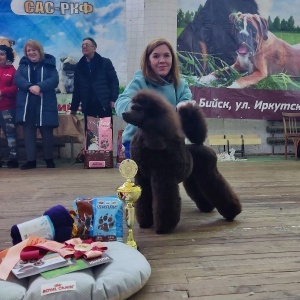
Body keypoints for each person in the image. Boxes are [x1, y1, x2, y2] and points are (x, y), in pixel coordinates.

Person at [115, 38, 192, 158]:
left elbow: (186, 101)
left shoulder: (181, 84)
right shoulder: (139, 81)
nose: (162, 60)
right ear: (148, 60)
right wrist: (135, 109)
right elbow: (121, 101)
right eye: (156, 56)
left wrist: (184, 107)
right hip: (138, 145)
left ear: (173, 59)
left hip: (171, 144)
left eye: (167, 55)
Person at [14, 40, 59, 170]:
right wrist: (30, 87)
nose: (31, 53)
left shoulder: (50, 65)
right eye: (29, 51)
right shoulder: (22, 66)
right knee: (28, 133)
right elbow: (18, 79)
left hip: (45, 103)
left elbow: (54, 80)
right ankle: (31, 161)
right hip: (27, 105)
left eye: (34, 50)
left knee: (47, 133)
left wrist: (40, 87)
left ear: (39, 51)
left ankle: (49, 159)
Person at [70, 37, 119, 118]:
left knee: (105, 130)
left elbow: (114, 82)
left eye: (87, 45)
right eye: (82, 46)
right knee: (90, 130)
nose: (84, 47)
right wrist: (73, 108)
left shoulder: (105, 62)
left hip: (103, 104)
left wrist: (114, 99)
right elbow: (77, 89)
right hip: (88, 106)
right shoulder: (79, 66)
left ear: (94, 48)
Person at [0, 45, 19, 168]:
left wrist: (2, 92)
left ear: (7, 56)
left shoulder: (13, 71)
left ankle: (13, 158)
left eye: (1, 54)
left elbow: (16, 88)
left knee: (10, 133)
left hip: (8, 107)